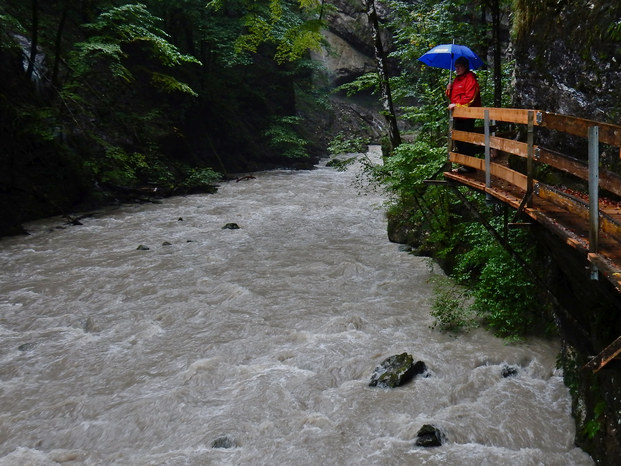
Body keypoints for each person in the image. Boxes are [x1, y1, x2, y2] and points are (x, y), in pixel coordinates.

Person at [446, 56, 481, 172]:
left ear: (465, 66)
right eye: (456, 67)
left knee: (467, 140)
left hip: (468, 115)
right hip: (458, 115)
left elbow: (470, 98)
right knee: (459, 141)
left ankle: (470, 166)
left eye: (459, 66)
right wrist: (449, 90)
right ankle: (464, 165)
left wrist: (457, 105)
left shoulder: (470, 78)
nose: (457, 69)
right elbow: (453, 98)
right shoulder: (457, 79)